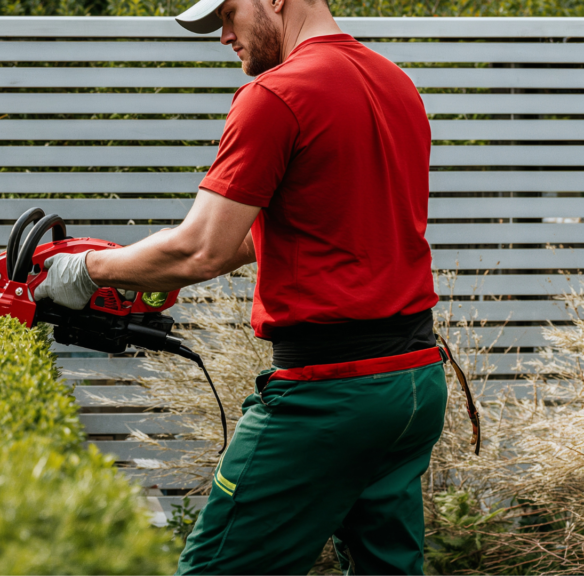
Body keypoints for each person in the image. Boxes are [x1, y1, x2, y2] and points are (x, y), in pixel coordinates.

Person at [31, 0, 464, 572]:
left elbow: (200, 249)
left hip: (328, 396)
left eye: (229, 14)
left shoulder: (276, 95)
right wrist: (128, 263)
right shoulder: (394, 84)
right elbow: (268, 233)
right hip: (412, 385)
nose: (223, 35)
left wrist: (80, 273)